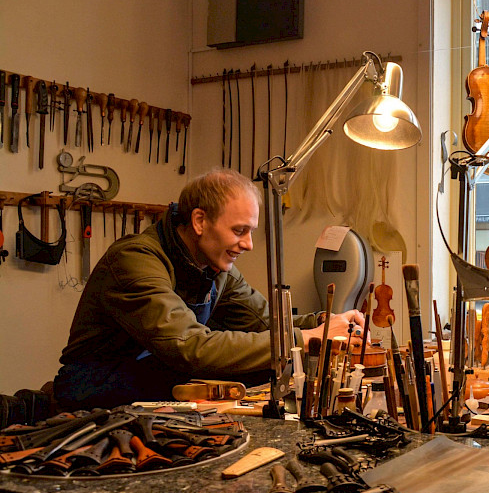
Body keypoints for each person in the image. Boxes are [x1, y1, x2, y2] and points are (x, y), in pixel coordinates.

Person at [54, 168, 364, 411]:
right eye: (239, 231)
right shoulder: (134, 260)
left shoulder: (214, 268)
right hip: (95, 398)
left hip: (151, 392)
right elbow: (190, 347)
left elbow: (267, 324)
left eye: (250, 232)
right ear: (200, 220)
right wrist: (307, 339)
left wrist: (325, 323)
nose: (248, 244)